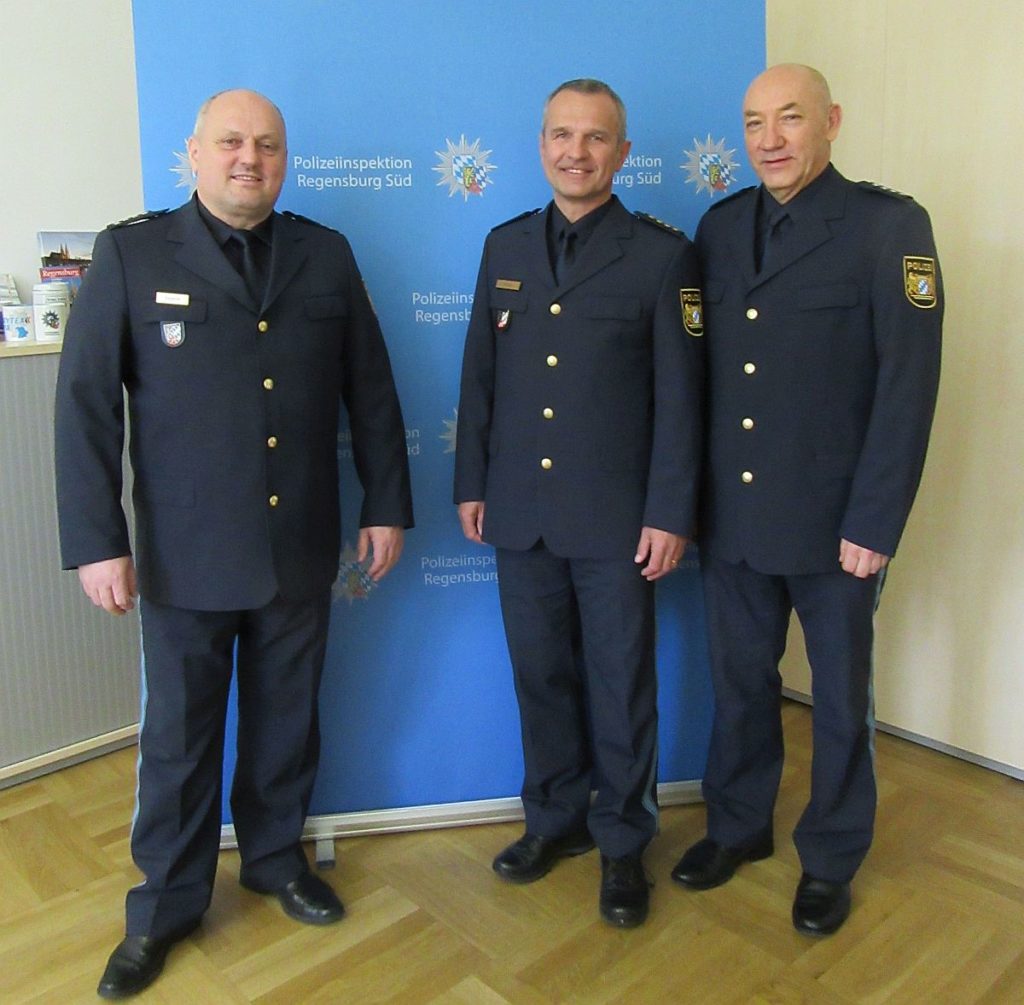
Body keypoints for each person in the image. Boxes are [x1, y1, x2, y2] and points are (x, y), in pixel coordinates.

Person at [54, 89, 413, 998]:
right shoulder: (132, 253)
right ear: (194, 154)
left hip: (298, 540)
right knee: (179, 737)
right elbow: (87, 409)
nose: (249, 157)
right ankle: (167, 902)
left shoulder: (324, 254)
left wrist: (388, 505)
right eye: (230, 143)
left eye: (267, 145)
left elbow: (370, 389)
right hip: (185, 553)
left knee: (287, 715)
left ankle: (276, 858)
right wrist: (99, 541)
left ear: (284, 159)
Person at [670, 64, 942, 935]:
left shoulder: (886, 227)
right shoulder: (717, 230)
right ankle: (741, 826)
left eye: (790, 118)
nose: (771, 138)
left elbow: (909, 386)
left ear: (832, 121)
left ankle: (829, 854)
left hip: (837, 527)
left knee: (837, 698)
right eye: (754, 122)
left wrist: (875, 519)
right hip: (737, 515)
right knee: (740, 683)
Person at [454, 78, 703, 928]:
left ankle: (625, 844)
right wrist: (471, 483)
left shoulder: (662, 254)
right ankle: (553, 822)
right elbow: (479, 380)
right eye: (562, 134)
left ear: (623, 153)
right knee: (542, 677)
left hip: (617, 520)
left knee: (620, 683)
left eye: (596, 138)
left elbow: (681, 400)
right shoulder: (504, 246)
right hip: (520, 512)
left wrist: (670, 511)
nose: (576, 152)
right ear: (541, 143)